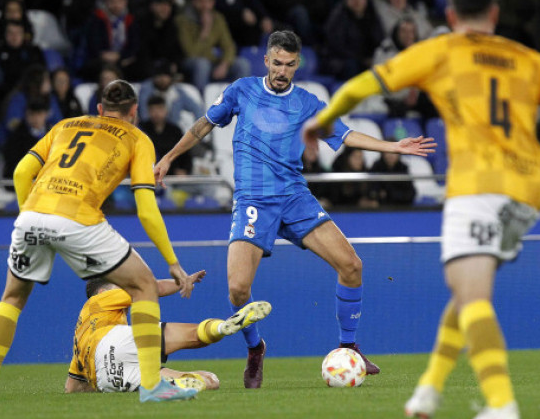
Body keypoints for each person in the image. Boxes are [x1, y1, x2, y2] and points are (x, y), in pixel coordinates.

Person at [302, 0, 540, 419]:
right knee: (467, 287)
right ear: (495, 14)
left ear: (449, 15)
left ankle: (502, 404)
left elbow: (362, 86)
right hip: (531, 188)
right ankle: (429, 388)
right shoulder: (527, 58)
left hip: (478, 185)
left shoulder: (441, 51)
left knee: (473, 295)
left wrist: (321, 120)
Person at [154, 30, 436, 389]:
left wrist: (393, 147)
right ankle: (256, 349)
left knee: (351, 265)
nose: (282, 70)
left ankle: (349, 348)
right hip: (253, 200)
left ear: (297, 64)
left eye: (289, 64)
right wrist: (167, 158)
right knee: (238, 289)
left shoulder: (307, 102)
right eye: (277, 63)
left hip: (294, 197)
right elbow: (203, 126)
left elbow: (345, 135)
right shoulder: (243, 90)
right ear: (266, 61)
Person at [0, 80, 202, 405]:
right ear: (134, 111)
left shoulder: (65, 125)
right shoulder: (138, 138)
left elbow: (23, 172)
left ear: (99, 109)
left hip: (32, 215)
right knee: (144, 287)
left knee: (12, 297)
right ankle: (152, 386)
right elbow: (147, 210)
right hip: (79, 217)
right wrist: (173, 263)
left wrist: (31, 220)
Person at [64, 276, 272, 393]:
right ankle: (222, 327)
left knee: (210, 380)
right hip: (115, 341)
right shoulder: (100, 300)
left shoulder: (80, 334)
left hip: (109, 379)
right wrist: (183, 281)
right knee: (194, 335)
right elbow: (149, 287)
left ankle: (178, 385)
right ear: (104, 292)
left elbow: (72, 387)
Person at [176, 0, 251, 92]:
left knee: (242, 64)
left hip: (212, 61)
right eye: (201, 1)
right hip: (190, 63)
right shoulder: (182, 20)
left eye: (208, 1)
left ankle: (240, 103)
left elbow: (229, 46)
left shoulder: (217, 18)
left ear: (213, 2)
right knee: (202, 64)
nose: (205, 5)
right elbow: (191, 53)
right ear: (193, 1)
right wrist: (205, 30)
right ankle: (202, 103)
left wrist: (225, 64)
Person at [140, 95, 192, 175]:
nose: (156, 113)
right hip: (148, 174)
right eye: (152, 110)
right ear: (148, 111)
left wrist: (183, 169)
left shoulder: (175, 131)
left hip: (173, 175)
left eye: (159, 109)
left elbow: (185, 153)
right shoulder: (142, 130)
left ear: (166, 110)